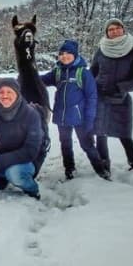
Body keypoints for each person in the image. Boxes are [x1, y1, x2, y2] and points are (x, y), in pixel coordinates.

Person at [41, 39, 110, 180]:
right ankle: (69, 169)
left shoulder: (83, 73)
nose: (64, 56)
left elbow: (92, 98)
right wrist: (25, 77)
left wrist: (90, 120)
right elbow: (41, 80)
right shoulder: (57, 72)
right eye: (62, 53)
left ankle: (101, 170)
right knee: (65, 144)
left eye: (68, 53)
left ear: (75, 55)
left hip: (81, 118)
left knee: (87, 145)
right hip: (62, 116)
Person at [91, 18, 133, 172]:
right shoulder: (101, 50)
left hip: (121, 99)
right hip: (100, 98)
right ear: (107, 33)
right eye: (110, 29)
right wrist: (88, 86)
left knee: (124, 133)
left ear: (123, 29)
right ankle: (104, 165)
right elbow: (93, 71)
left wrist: (121, 87)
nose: (114, 31)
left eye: (116, 28)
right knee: (100, 133)